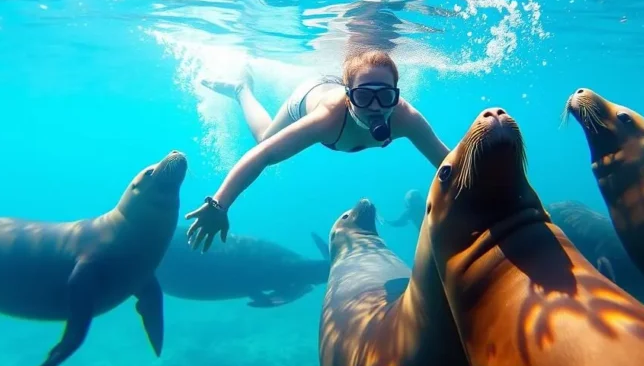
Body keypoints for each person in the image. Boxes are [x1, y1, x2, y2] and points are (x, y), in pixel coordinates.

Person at [184, 49, 449, 251]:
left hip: (341, 87)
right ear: (349, 97)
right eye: (364, 97)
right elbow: (263, 155)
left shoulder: (405, 118)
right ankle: (241, 90)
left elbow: (448, 162)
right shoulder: (327, 119)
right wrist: (219, 205)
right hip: (309, 95)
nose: (376, 107)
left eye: (386, 96)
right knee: (264, 138)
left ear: (396, 94)